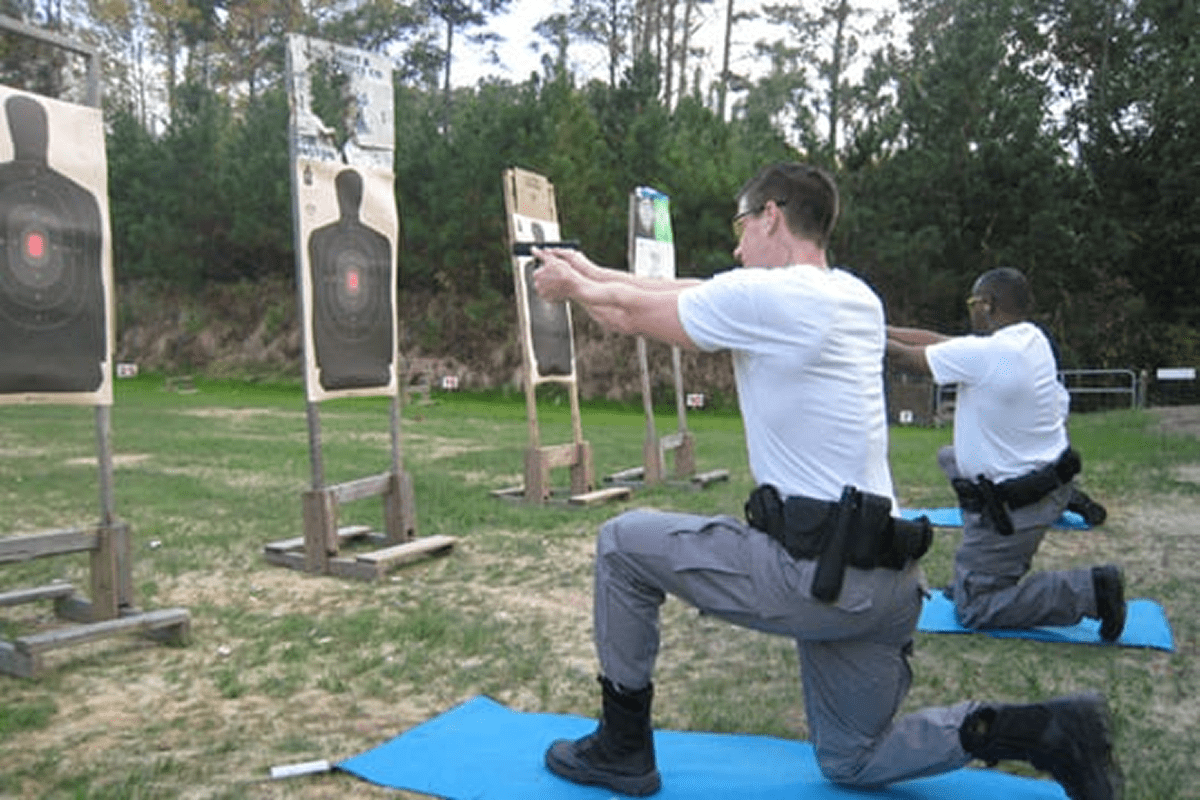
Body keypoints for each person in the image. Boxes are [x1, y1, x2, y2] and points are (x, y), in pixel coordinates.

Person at [530, 164, 1121, 800]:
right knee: (852, 760)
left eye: (740, 225)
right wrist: (588, 269)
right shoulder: (856, 296)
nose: (736, 246)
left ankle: (621, 749)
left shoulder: (767, 299)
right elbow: (688, 287)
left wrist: (569, 288)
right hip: (887, 583)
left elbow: (629, 314)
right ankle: (1043, 730)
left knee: (622, 544)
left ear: (770, 216)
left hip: (815, 578)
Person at [886, 268, 1126, 642]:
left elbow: (904, 359)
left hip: (1017, 502)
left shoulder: (991, 354)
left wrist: (849, 331)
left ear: (986, 305)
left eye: (971, 303)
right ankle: (977, 574)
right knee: (951, 458)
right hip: (1044, 477)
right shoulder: (1030, 341)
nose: (970, 311)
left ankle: (1093, 591)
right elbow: (939, 343)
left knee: (976, 607)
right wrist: (878, 328)